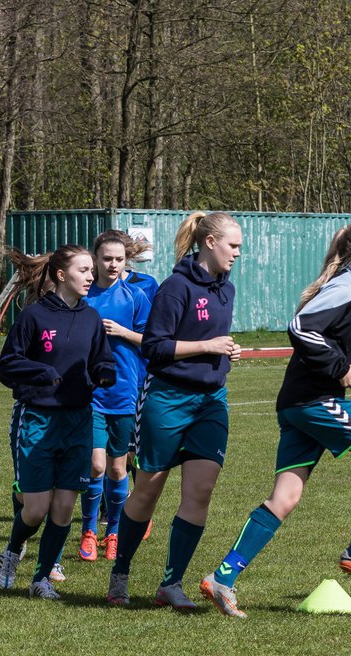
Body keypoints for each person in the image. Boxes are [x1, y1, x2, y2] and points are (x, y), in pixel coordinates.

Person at [197, 220, 351, 618]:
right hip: (314, 402)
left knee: (284, 499)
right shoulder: (345, 286)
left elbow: (327, 343)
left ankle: (222, 578)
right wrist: (338, 366)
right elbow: (300, 328)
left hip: (298, 404)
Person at [105, 212, 243, 608]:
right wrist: (208, 346)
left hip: (211, 402)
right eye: (232, 245)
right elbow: (154, 347)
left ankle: (171, 583)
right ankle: (120, 573)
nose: (237, 253)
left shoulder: (225, 289)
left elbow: (213, 342)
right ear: (210, 242)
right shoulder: (175, 287)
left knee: (201, 491)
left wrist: (228, 351)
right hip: (166, 399)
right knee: (147, 491)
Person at [0, 245, 115, 600]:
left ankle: (41, 579)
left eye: (92, 270)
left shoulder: (92, 318)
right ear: (62, 275)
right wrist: (41, 371)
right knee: (36, 510)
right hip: (38, 420)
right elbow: (6, 366)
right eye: (84, 270)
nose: (91, 276)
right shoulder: (34, 317)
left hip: (78, 420)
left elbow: (100, 359)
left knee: (63, 508)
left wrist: (105, 373)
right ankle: (12, 552)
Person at [79, 231, 153, 564]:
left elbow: (153, 342)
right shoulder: (83, 296)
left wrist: (123, 333)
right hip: (90, 393)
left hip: (125, 392)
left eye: (119, 259)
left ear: (126, 261)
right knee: (96, 466)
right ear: (95, 259)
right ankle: (89, 531)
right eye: (107, 258)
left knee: (118, 469)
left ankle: (115, 533)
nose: (112, 264)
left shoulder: (135, 296)